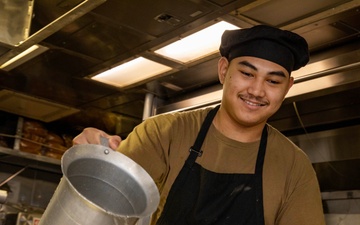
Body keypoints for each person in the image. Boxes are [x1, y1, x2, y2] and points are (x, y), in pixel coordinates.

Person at [73, 25, 326, 225]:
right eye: (247, 74)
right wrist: (89, 161)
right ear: (224, 70)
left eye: (273, 81)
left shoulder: (294, 167)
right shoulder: (163, 134)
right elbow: (103, 208)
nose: (257, 90)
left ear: (288, 88)